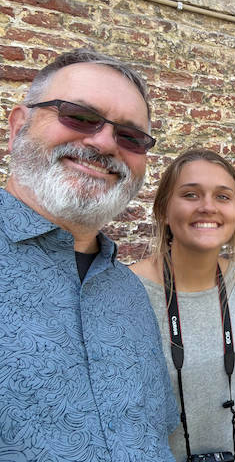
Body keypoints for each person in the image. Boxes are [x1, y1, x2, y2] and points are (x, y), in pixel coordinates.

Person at [0, 48, 179, 460]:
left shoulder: (128, 292)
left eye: (130, 137)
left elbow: (155, 435)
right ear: (18, 127)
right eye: (79, 116)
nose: (103, 143)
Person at [130, 149, 235, 462]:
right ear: (163, 209)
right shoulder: (128, 290)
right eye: (191, 194)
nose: (207, 207)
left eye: (222, 196)